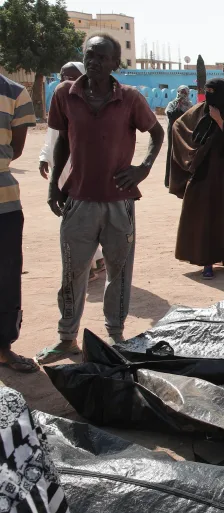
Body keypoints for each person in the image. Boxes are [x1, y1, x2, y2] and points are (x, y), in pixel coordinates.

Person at [37, 33, 164, 364]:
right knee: (72, 271)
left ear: (115, 64)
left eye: (100, 57)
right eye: (88, 55)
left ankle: (116, 335)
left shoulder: (131, 98)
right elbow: (63, 140)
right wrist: (54, 186)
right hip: (78, 200)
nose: (92, 61)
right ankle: (67, 339)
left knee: (118, 272)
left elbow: (157, 133)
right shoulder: (65, 94)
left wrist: (143, 168)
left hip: (119, 201)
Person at [169, 78, 224, 280]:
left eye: (213, 91)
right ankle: (207, 263)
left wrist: (220, 122)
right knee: (204, 220)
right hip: (203, 177)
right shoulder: (199, 111)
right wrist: (192, 155)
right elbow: (178, 127)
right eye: (207, 91)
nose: (209, 96)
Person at [40, 62, 105, 283]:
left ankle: (89, 266)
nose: (65, 79)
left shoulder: (91, 104)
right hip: (62, 171)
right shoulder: (59, 100)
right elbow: (52, 136)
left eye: (71, 76)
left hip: (83, 173)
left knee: (84, 219)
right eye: (62, 75)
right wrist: (43, 157)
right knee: (72, 219)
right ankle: (92, 263)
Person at [0, 73, 37, 373]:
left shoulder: (15, 93)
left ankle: (3, 348)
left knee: (7, 276)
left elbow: (16, 150)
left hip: (4, 205)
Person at [164, 85, 192, 188]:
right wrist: (178, 107)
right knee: (172, 152)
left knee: (184, 154)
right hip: (173, 132)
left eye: (185, 92)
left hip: (184, 132)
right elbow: (170, 116)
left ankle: (182, 180)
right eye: (181, 92)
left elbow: (190, 118)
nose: (182, 95)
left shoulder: (189, 105)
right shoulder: (172, 104)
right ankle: (169, 180)